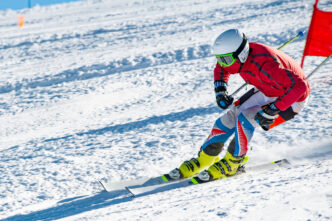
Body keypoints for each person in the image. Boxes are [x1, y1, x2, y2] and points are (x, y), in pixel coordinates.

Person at [163, 28, 310, 183]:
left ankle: (234, 161)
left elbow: (301, 87)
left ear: (242, 54)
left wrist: (273, 109)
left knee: (245, 119)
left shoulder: (265, 65)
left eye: (226, 60)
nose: (222, 63)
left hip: (291, 99)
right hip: (267, 88)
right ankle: (205, 159)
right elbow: (221, 67)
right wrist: (220, 90)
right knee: (227, 119)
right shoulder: (236, 58)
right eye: (220, 59)